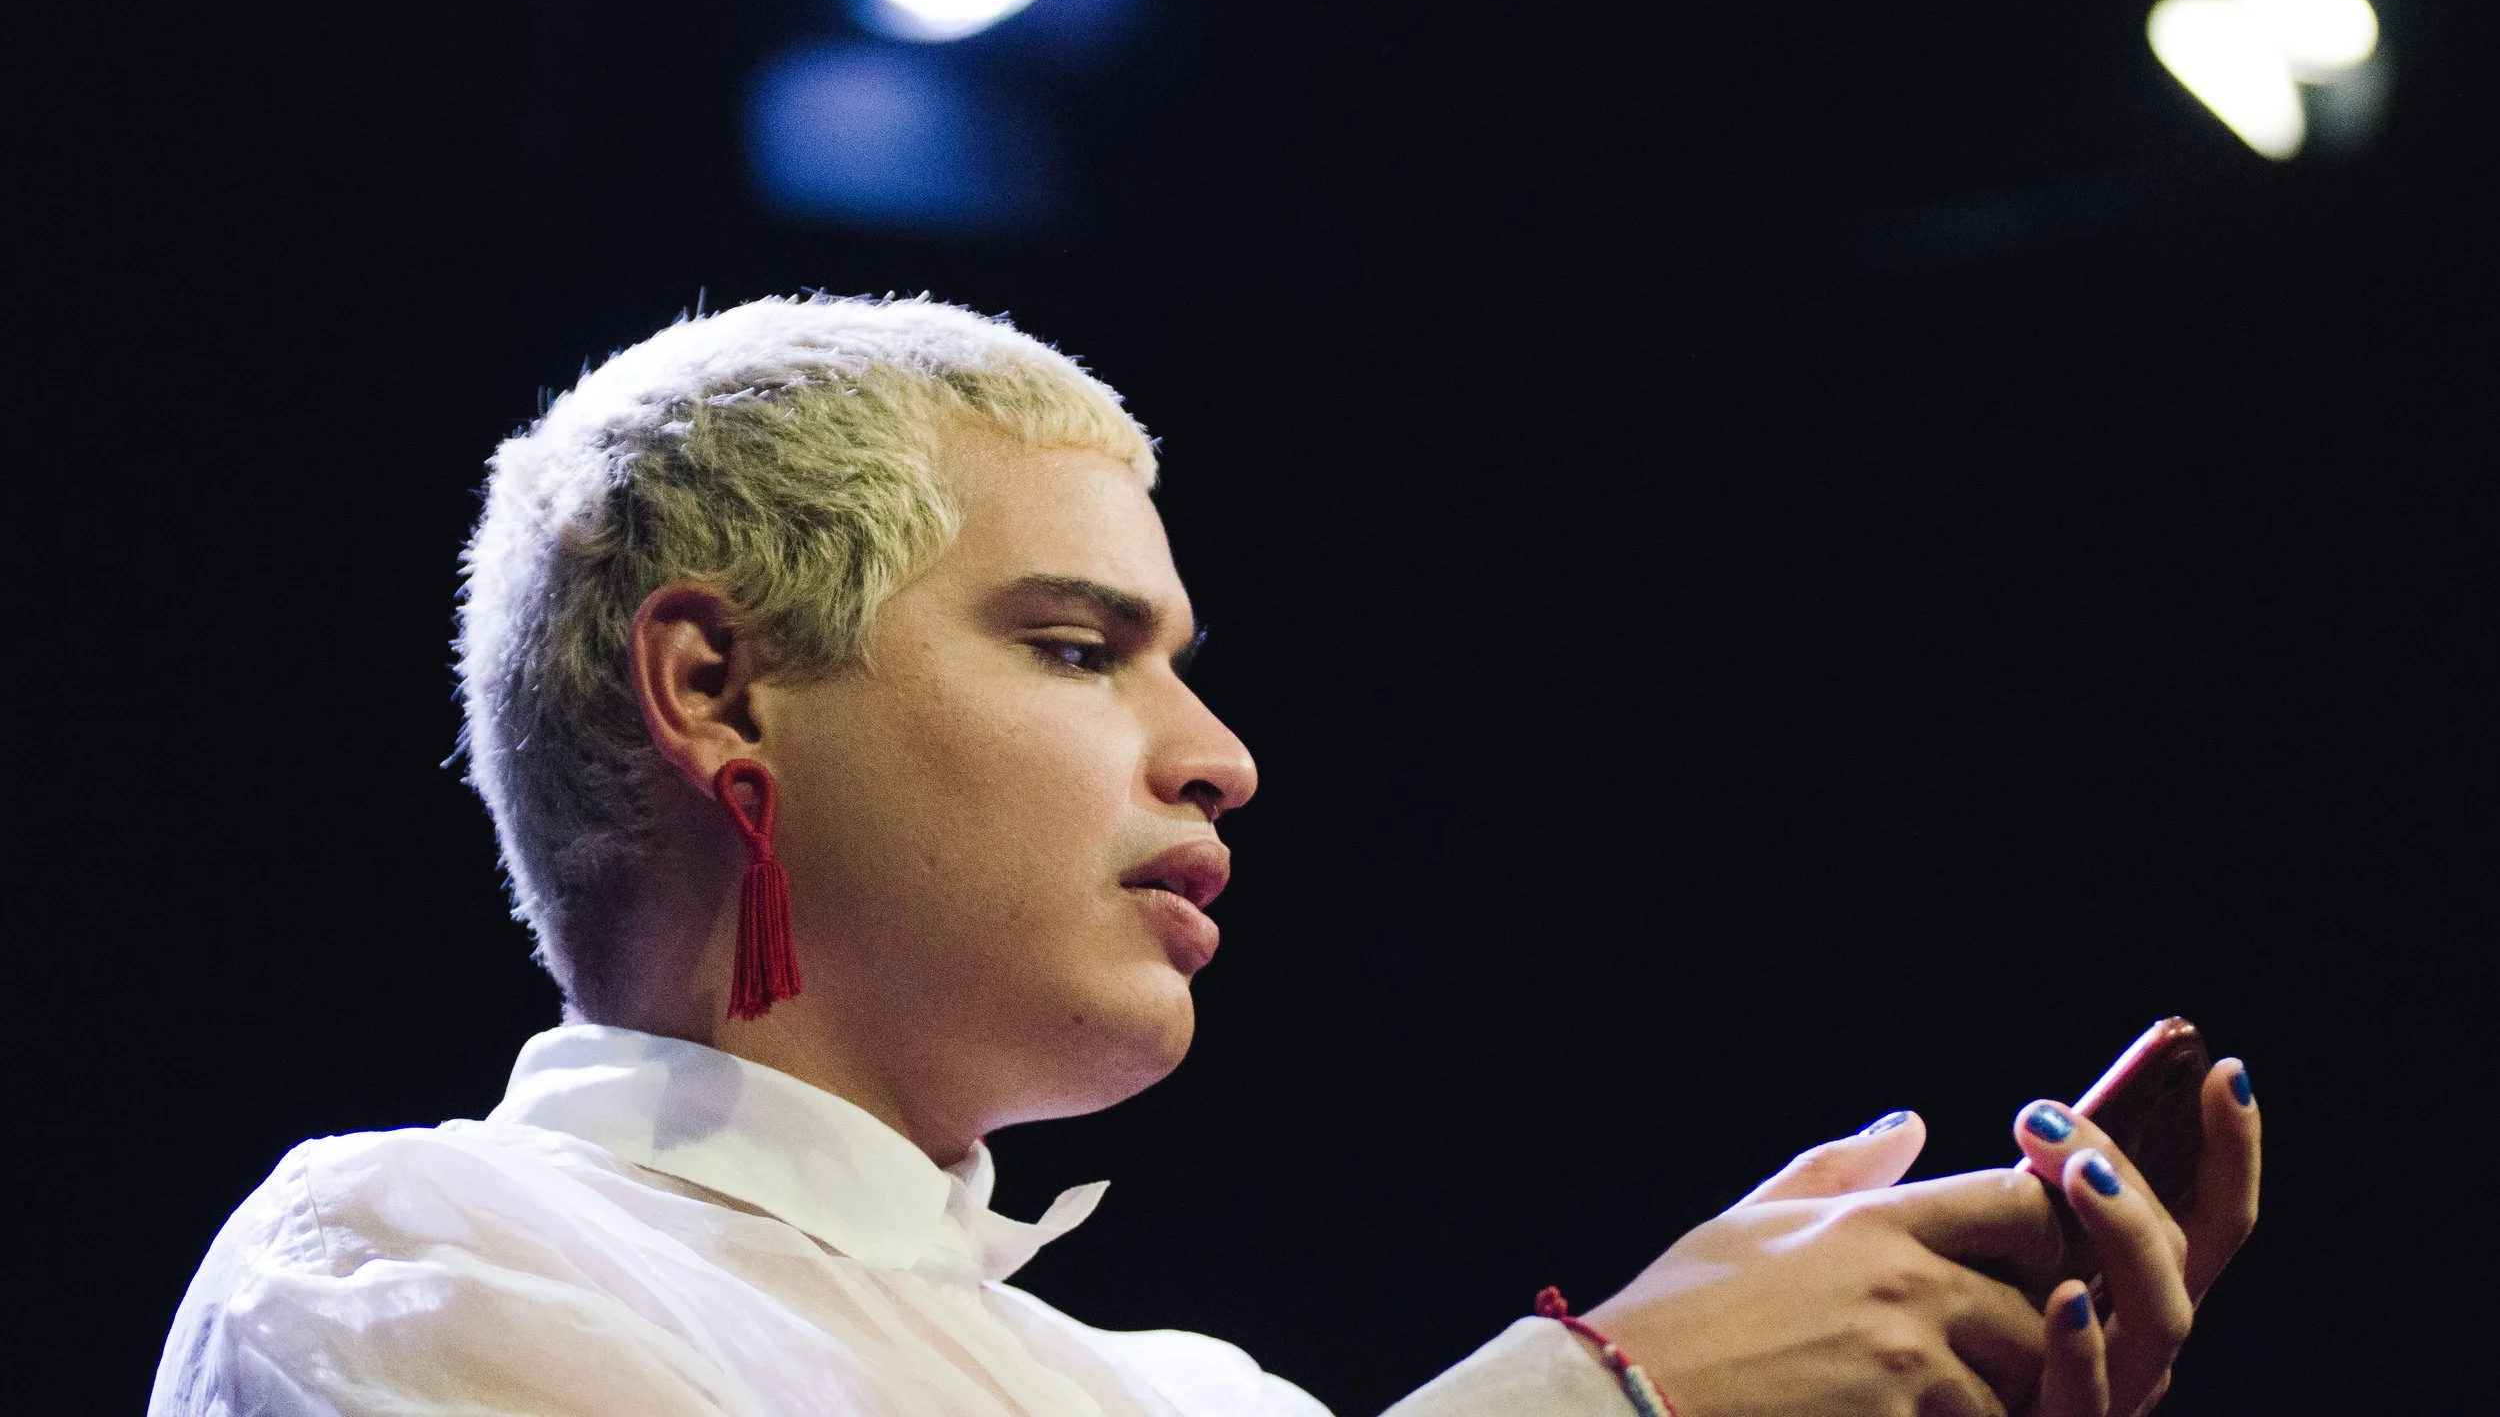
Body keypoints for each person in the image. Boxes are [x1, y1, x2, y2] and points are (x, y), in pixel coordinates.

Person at [152, 295, 2260, 1417]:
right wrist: (1604, 1397)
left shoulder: (1194, 1404)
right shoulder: (403, 1263)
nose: (1219, 759)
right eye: (1075, 648)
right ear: (714, 694)